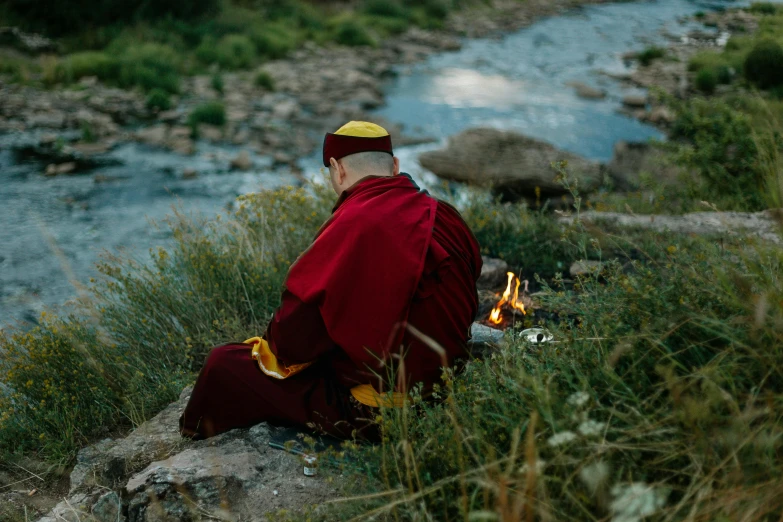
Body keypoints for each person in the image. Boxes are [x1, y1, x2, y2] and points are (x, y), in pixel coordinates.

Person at [180, 121, 482, 440]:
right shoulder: (445, 215)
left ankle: (196, 436)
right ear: (394, 166)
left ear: (338, 170)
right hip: (443, 395)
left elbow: (291, 340)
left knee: (223, 365)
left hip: (377, 413)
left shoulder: (355, 221)